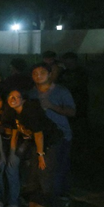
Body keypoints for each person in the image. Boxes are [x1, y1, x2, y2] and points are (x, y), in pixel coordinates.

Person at [3, 89, 64, 207]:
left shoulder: (30, 111)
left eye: (16, 97)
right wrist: (13, 152)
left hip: (49, 143)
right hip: (36, 145)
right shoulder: (13, 113)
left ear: (23, 99)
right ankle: (34, 205)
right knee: (34, 174)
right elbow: (15, 131)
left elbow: (39, 134)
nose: (13, 99)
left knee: (44, 172)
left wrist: (40, 155)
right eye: (10, 97)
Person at [29, 63, 74, 200]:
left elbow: (72, 111)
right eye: (35, 73)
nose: (38, 76)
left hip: (61, 134)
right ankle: (45, 196)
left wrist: (52, 106)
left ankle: (61, 195)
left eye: (42, 73)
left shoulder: (61, 91)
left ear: (49, 74)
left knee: (60, 165)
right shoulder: (32, 93)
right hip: (41, 136)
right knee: (42, 166)